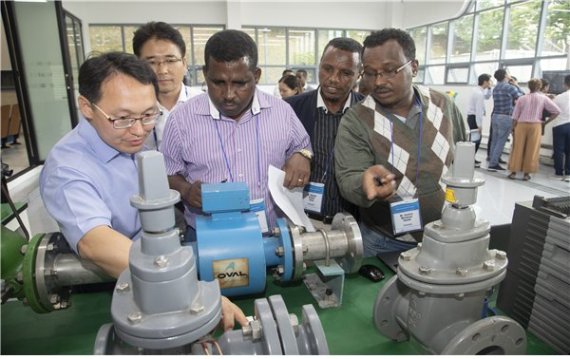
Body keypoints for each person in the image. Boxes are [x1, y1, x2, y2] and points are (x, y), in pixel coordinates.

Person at [39, 52, 247, 331]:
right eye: (123, 118)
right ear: (87, 107)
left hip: (160, 265)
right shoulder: (68, 169)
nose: (138, 130)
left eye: (149, 115)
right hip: (113, 286)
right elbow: (96, 244)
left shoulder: (128, 144)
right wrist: (188, 290)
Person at [161, 29, 312, 241]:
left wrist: (302, 155)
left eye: (240, 83)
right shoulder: (181, 120)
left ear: (256, 76)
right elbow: (167, 172)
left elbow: (302, 146)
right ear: (205, 74)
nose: (229, 95)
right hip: (207, 237)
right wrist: (186, 190)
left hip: (271, 236)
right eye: (218, 82)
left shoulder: (282, 112)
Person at [334, 28, 467, 257]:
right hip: (384, 241)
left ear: (413, 67)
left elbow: (462, 156)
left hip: (446, 235)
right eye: (370, 73)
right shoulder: (356, 120)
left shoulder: (443, 106)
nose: (379, 81)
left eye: (390, 70)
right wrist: (364, 184)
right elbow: (348, 178)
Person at [285, 37, 363, 226]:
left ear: (359, 75)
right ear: (319, 65)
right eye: (328, 69)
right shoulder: (290, 109)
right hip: (301, 220)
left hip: (354, 225)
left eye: (345, 73)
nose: (333, 79)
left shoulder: (369, 112)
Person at [132, 21, 200, 150]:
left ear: (184, 64)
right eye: (152, 62)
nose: (162, 70)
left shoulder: (205, 104)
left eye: (170, 60)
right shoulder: (129, 109)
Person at [507, 78, 560, 181]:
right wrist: (545, 122)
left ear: (529, 87)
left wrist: (512, 129)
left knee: (517, 148)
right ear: (540, 87)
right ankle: (526, 174)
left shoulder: (522, 98)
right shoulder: (543, 98)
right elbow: (557, 111)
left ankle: (513, 172)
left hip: (521, 125)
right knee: (532, 149)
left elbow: (515, 116)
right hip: (536, 126)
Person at [488, 69, 524, 171]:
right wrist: (516, 85)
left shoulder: (495, 88)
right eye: (508, 73)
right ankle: (493, 163)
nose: (509, 74)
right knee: (501, 141)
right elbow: (522, 97)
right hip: (505, 117)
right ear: (505, 75)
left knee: (494, 140)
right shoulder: (509, 87)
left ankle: (492, 160)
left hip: (495, 116)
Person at [466, 73, 493, 167]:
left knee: (475, 140)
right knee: (476, 140)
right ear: (485, 82)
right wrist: (479, 125)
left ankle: (471, 158)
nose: (491, 83)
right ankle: (470, 160)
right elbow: (479, 111)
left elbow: (487, 96)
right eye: (489, 81)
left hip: (471, 117)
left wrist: (489, 89)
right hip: (474, 118)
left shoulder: (477, 90)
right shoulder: (479, 94)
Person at [550, 75, 570, 181]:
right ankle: (568, 173)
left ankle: (558, 172)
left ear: (565, 83)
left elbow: (551, 109)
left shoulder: (560, 97)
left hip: (559, 125)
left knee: (558, 149)